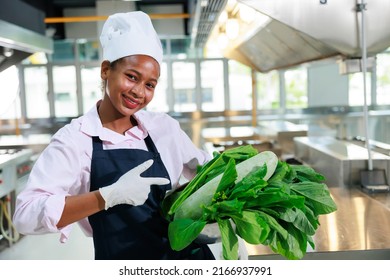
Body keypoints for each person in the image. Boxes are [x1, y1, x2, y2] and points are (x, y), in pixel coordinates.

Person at [13, 11, 215, 260]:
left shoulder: (164, 128)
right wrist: (106, 196)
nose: (139, 92)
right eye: (132, 77)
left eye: (150, 84)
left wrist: (231, 218)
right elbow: (24, 215)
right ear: (106, 70)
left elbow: (208, 174)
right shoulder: (74, 140)